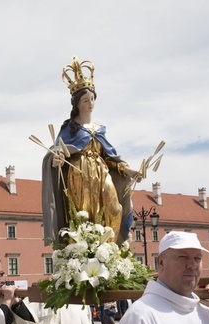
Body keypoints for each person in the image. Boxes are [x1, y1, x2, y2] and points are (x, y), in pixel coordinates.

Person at [42, 56, 142, 247]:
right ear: (77, 104)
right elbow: (58, 150)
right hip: (78, 176)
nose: (90, 103)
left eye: (92, 99)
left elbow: (110, 158)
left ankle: (110, 250)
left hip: (101, 173)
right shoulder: (69, 128)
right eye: (85, 100)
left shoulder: (100, 129)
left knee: (114, 208)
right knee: (83, 216)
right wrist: (57, 159)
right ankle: (83, 252)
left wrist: (129, 171)